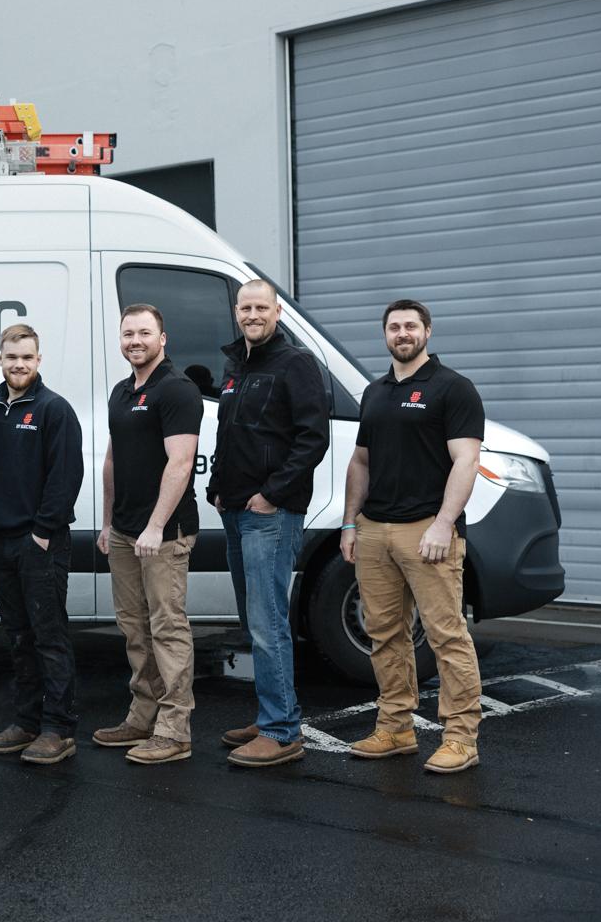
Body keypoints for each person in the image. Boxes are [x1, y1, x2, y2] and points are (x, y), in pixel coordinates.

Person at [340, 299, 485, 773]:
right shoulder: (374, 391)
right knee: (385, 635)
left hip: (427, 530)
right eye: (394, 327)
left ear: (428, 331)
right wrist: (349, 522)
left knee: (446, 636)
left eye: (410, 326)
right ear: (385, 334)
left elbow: (466, 461)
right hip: (375, 530)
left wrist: (444, 523)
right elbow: (360, 462)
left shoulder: (453, 389)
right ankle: (396, 728)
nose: (402, 333)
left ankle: (461, 737)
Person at [206, 281, 329, 768]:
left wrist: (272, 494)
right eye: (245, 307)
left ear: (278, 311)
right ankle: (270, 714)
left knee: (268, 622)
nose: (252, 314)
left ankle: (281, 731)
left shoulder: (294, 363)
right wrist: (218, 486)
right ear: (236, 312)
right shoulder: (239, 364)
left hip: (270, 514)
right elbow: (229, 431)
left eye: (261, 307)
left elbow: (311, 438)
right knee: (253, 619)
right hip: (236, 510)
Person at [93, 304, 202, 765]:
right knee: (134, 629)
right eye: (127, 334)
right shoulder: (122, 391)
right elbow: (113, 461)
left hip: (165, 533)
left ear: (163, 338)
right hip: (124, 531)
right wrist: (108, 522)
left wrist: (156, 527)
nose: (134, 341)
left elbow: (180, 464)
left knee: (167, 629)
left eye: (143, 333)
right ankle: (143, 715)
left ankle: (175, 730)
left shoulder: (176, 390)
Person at [0, 324, 85, 765]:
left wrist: (41, 532)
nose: (18, 364)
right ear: (0, 361)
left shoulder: (54, 410)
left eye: (26, 357)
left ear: (39, 360)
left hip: (39, 543)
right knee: (19, 637)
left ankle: (57, 728)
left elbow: (66, 477)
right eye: (10, 357)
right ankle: (25, 722)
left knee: (49, 636)